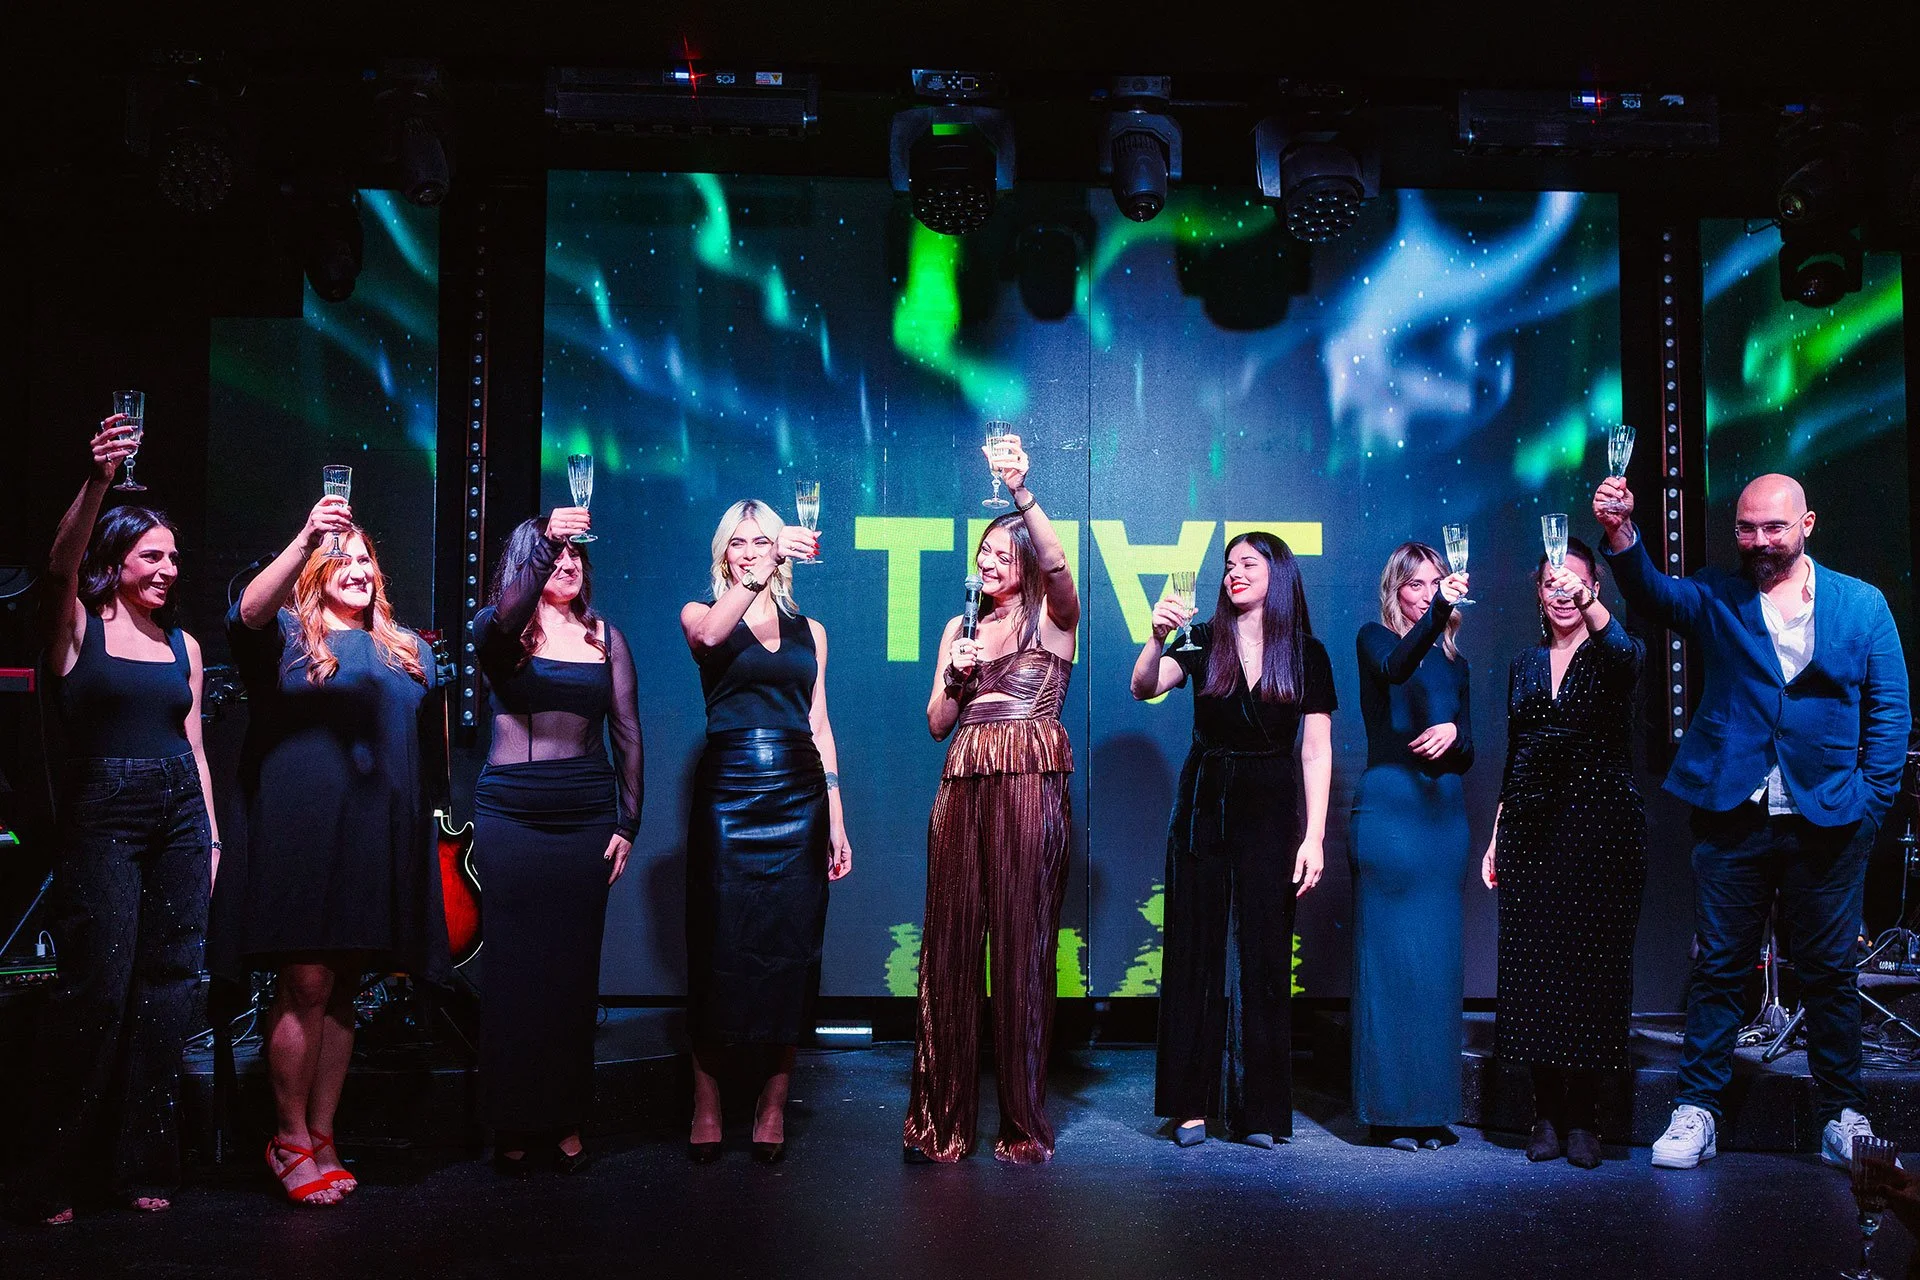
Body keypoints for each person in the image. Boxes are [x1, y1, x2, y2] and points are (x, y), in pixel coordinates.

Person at [1596, 473, 1909, 1170]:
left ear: (1807, 525)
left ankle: (1841, 1113)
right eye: (1747, 528)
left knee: (1829, 974)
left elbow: (1890, 712)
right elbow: (1651, 592)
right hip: (1734, 810)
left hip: (1828, 815)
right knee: (1719, 971)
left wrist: (1870, 804)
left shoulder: (1861, 604)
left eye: (1773, 527)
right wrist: (1621, 535)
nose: (1759, 541)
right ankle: (1697, 1110)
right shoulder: (1717, 594)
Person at [7, 418, 220, 1224]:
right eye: (151, 556)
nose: (168, 568)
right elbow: (58, 565)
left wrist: (212, 835)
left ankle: (140, 1164)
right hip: (104, 812)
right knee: (94, 991)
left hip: (177, 812)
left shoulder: (183, 647)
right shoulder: (76, 629)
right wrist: (97, 482)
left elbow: (193, 745)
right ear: (115, 561)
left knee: (171, 992)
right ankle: (53, 1173)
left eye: (172, 557)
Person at [211, 492, 447, 1205]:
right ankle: (285, 1137)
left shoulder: (411, 653)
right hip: (303, 832)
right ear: (314, 572)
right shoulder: (285, 634)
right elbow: (244, 613)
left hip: (377, 835)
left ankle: (321, 1134)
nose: (357, 570)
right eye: (340, 559)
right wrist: (307, 531)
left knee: (346, 985)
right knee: (305, 982)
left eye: (366, 560)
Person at [904, 433, 1079, 1166]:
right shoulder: (962, 626)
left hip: (1028, 784)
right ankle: (941, 1122)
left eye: (1002, 555)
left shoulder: (1054, 617)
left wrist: (1020, 495)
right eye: (982, 554)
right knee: (947, 948)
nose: (987, 563)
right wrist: (954, 674)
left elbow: (1061, 568)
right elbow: (938, 724)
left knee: (1020, 948)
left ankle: (1020, 1122)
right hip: (963, 782)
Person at [1131, 532, 1334, 1149]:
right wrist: (1157, 635)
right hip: (1204, 801)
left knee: (1266, 954)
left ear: (1280, 574)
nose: (1234, 573)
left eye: (1248, 563)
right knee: (1194, 947)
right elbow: (1143, 685)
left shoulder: (1307, 653)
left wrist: (1315, 836)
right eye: (1228, 566)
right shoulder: (1201, 641)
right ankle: (1188, 1104)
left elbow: (1317, 749)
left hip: (1271, 806)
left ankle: (1259, 1111)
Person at [680, 499, 850, 1164]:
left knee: (788, 951)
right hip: (728, 793)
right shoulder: (702, 614)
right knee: (718, 945)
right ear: (724, 552)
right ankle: (706, 1102)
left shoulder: (812, 630)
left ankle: (773, 1105)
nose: (750, 550)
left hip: (799, 794)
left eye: (763, 541)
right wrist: (764, 570)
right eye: (739, 542)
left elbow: (820, 725)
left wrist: (836, 817)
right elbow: (710, 639)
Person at [473, 508, 642, 1176]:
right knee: (515, 975)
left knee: (572, 974)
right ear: (531, 560)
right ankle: (513, 1121)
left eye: (576, 555)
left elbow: (627, 730)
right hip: (511, 815)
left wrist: (628, 820)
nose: (570, 563)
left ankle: (567, 1116)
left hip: (584, 818)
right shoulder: (501, 632)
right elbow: (503, 617)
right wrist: (544, 541)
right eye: (555, 554)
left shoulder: (606, 636)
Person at [1481, 538, 1645, 1169]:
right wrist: (1499, 831)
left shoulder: (1611, 653)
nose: (1562, 591)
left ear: (1594, 589)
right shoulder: (1524, 663)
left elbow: (1629, 659)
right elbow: (1516, 748)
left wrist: (1597, 609)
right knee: (1534, 972)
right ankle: (1543, 1113)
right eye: (1550, 582)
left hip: (1601, 827)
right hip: (1531, 827)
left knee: (1593, 972)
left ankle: (1585, 1117)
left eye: (1574, 581)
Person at [1350, 541, 1473, 1151]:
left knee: (1436, 968)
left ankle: (1431, 1109)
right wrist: (1436, 616)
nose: (1429, 593)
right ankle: (1390, 1111)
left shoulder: (1456, 660)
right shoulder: (1375, 638)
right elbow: (1397, 668)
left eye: (1438, 584)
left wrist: (1454, 732)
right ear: (1396, 589)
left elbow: (1470, 750)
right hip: (1392, 811)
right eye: (1417, 584)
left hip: (1443, 816)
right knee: (1394, 965)